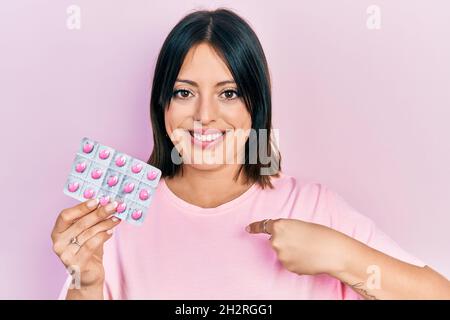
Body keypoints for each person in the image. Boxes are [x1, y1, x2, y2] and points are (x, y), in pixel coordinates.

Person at [52, 8, 450, 300]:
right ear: (163, 106)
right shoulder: (112, 220)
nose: (205, 116)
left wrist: (339, 255)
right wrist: (86, 284)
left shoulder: (312, 206)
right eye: (184, 92)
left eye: (229, 93)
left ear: (254, 106)